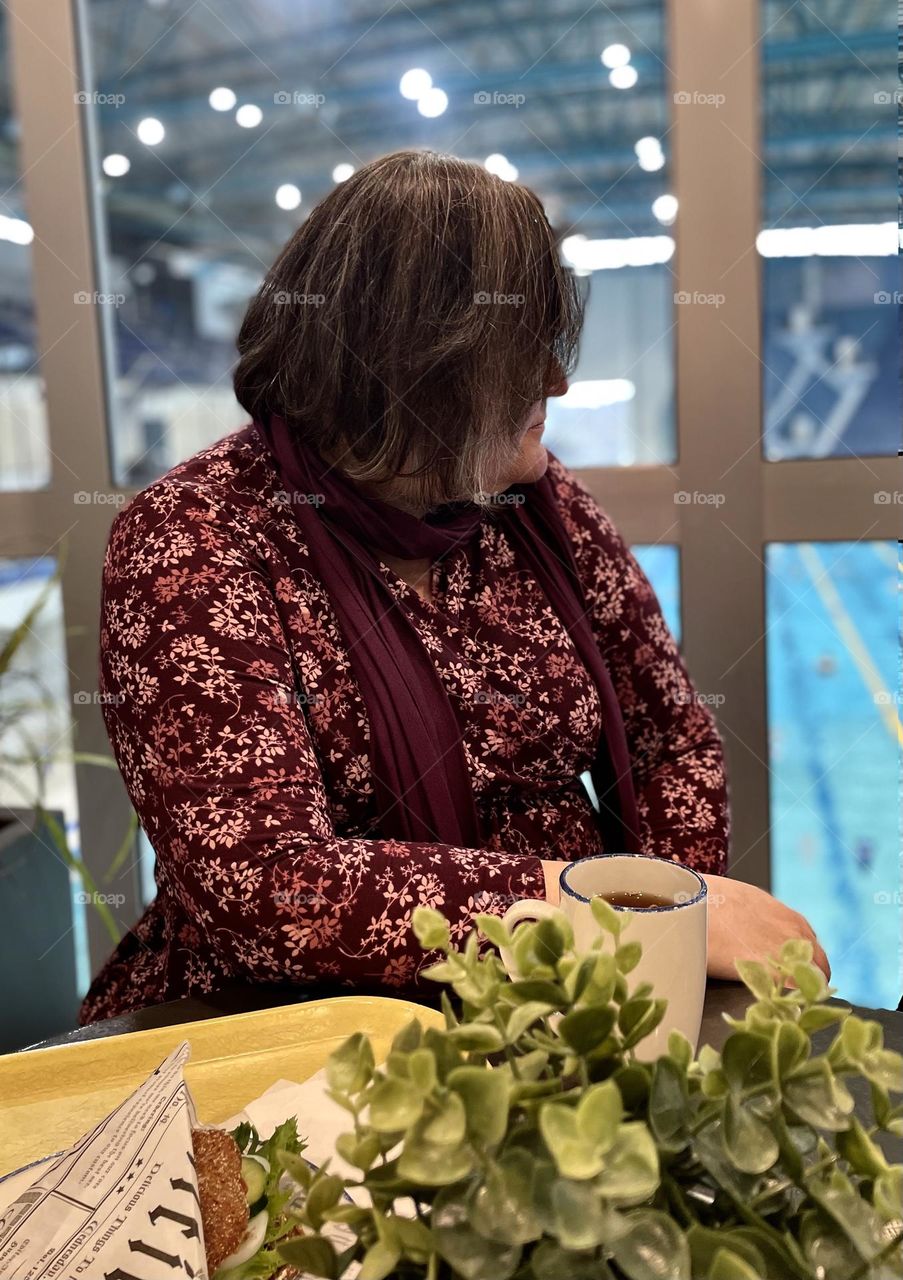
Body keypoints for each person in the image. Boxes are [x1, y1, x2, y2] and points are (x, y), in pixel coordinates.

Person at [80, 150, 827, 1023]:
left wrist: (660, 958)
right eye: (520, 354)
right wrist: (610, 916)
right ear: (413, 372)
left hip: (572, 1006)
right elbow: (264, 887)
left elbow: (671, 742)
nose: (557, 380)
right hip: (285, 1033)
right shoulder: (195, 537)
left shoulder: (540, 510)